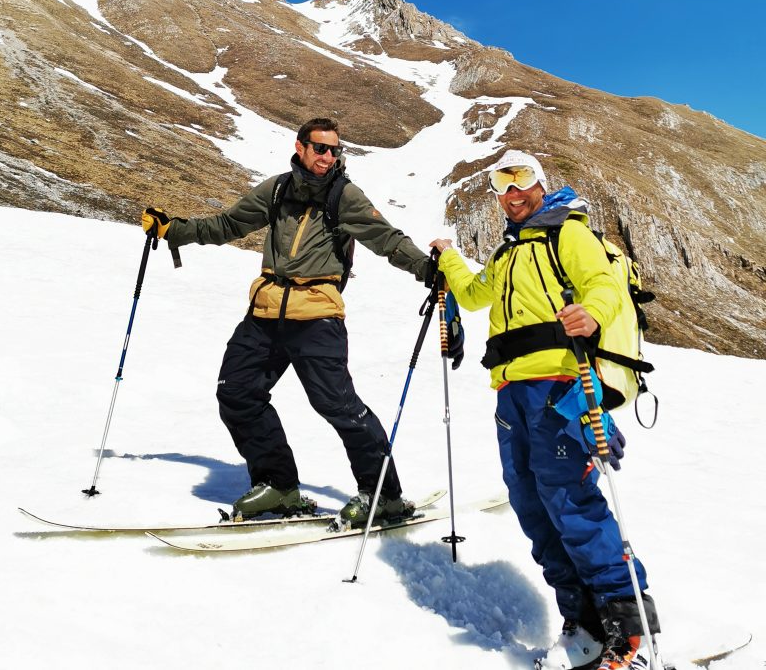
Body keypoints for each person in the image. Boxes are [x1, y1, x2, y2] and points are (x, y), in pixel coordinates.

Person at [430, 150, 660, 670]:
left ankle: (627, 633)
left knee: (570, 500)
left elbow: (604, 284)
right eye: (501, 182)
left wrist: (591, 312)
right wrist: (447, 256)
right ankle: (581, 623)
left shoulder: (568, 233)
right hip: (510, 392)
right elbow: (471, 295)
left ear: (540, 183)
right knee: (530, 502)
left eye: (522, 179)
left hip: (561, 384)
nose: (512, 192)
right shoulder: (507, 252)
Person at [142, 117, 431, 525]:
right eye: (320, 148)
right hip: (264, 314)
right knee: (237, 394)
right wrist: (176, 230)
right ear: (301, 147)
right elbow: (228, 224)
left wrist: (427, 269)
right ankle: (278, 486)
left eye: (335, 150)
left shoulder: (344, 196)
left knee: (338, 407)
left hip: (317, 316)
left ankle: (383, 495)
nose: (328, 157)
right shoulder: (277, 190)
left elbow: (387, 239)